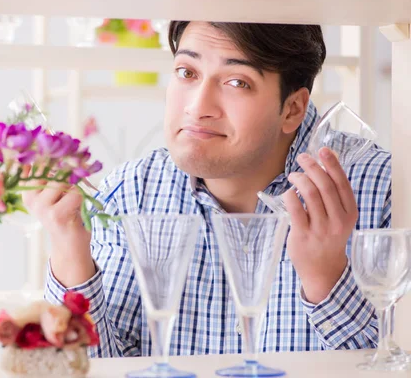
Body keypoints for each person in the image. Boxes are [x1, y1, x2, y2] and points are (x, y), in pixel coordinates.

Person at [23, 21, 391, 357]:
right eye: (187, 72)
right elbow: (102, 367)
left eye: (237, 82)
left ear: (292, 108)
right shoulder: (130, 193)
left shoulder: (386, 192)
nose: (198, 108)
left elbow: (393, 363)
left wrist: (326, 279)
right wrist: (70, 247)